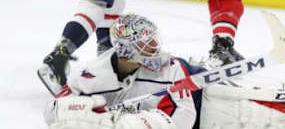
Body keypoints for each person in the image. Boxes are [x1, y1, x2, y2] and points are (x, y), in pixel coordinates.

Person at [43, 13, 198, 129]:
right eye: (145, 43)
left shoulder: (171, 68)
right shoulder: (91, 76)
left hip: (193, 81)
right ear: (125, 50)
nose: (154, 48)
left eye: (153, 41)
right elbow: (53, 110)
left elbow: (186, 112)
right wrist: (79, 109)